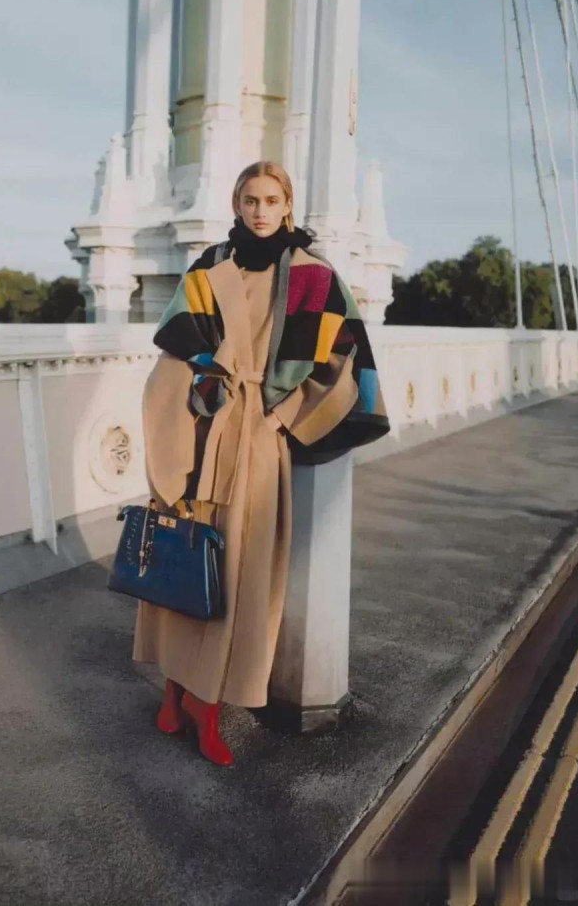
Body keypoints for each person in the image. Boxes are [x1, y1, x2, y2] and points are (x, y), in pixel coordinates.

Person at [132, 161, 389, 766]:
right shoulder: (209, 266)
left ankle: (208, 710)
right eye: (250, 199)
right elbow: (175, 355)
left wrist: (281, 417)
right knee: (180, 561)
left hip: (260, 445)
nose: (260, 210)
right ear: (237, 203)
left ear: (287, 204)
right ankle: (172, 696)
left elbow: (343, 358)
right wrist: (191, 420)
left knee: (240, 580)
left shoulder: (312, 276)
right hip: (201, 431)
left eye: (271, 199)